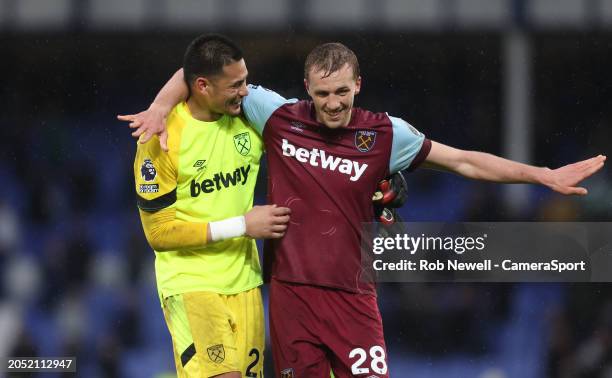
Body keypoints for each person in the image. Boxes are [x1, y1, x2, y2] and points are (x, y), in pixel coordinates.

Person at [120, 42, 606, 377]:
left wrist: (541, 174)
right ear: (306, 90)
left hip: (354, 298)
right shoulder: (278, 115)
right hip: (292, 297)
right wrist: (162, 106)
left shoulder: (387, 135)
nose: (333, 104)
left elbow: (463, 161)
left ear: (359, 84)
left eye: (342, 92)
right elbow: (206, 71)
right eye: (322, 93)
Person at [119, 34, 291, 378]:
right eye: (236, 85)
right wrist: (242, 226)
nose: (246, 91)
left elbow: (310, 140)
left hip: (244, 282)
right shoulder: (162, 139)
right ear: (201, 86)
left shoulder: (248, 118)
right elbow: (159, 234)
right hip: (191, 283)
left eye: (246, 81)